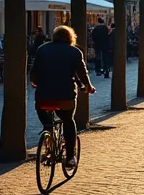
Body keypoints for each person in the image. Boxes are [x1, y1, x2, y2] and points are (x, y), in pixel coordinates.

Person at [30, 25, 95, 168]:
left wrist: (34, 82)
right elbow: (82, 73)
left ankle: (47, 134)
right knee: (68, 120)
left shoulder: (42, 49)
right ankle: (71, 157)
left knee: (45, 116)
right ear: (70, 38)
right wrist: (88, 87)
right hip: (65, 96)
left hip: (43, 96)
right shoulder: (75, 52)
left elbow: (34, 71)